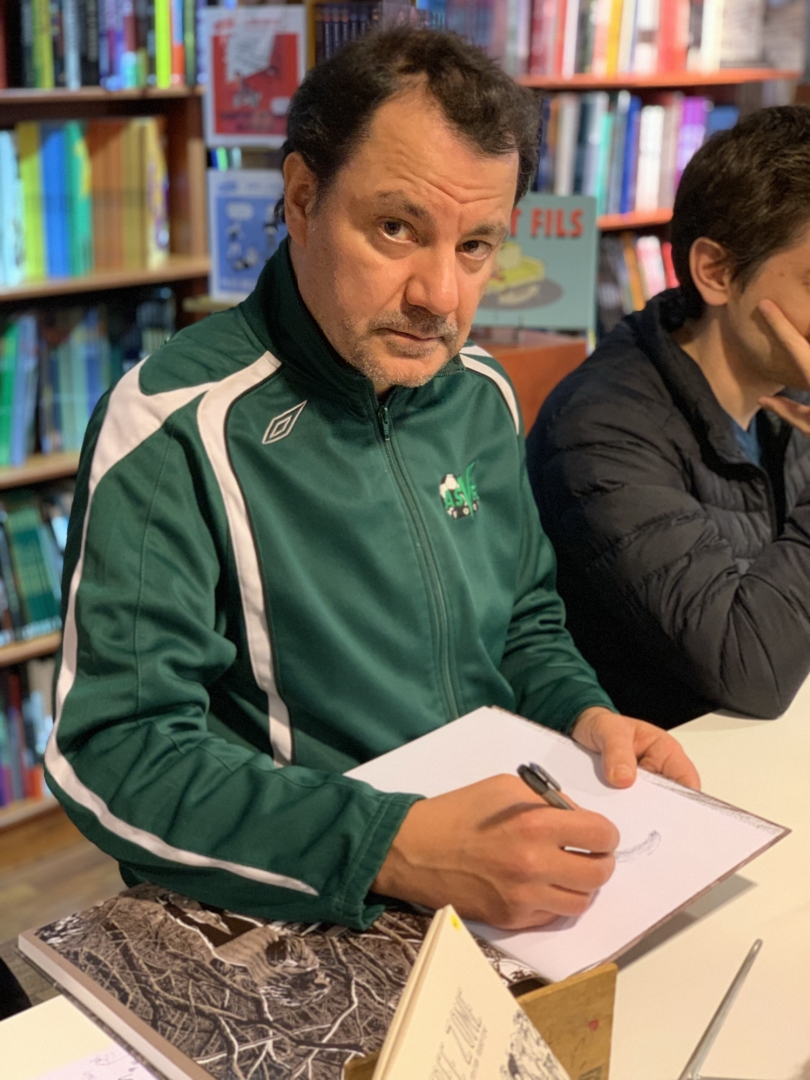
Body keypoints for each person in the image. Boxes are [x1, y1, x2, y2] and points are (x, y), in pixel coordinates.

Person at [46, 28, 697, 934]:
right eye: (397, 228)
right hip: (301, 917)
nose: (440, 295)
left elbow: (523, 622)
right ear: (302, 196)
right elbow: (116, 753)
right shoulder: (172, 424)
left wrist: (584, 715)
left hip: (498, 883)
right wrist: (396, 845)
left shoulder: (481, 393)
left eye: (476, 246)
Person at [528, 105, 810, 729]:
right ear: (716, 272)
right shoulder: (600, 427)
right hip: (656, 767)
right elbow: (751, 668)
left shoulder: (790, 392)